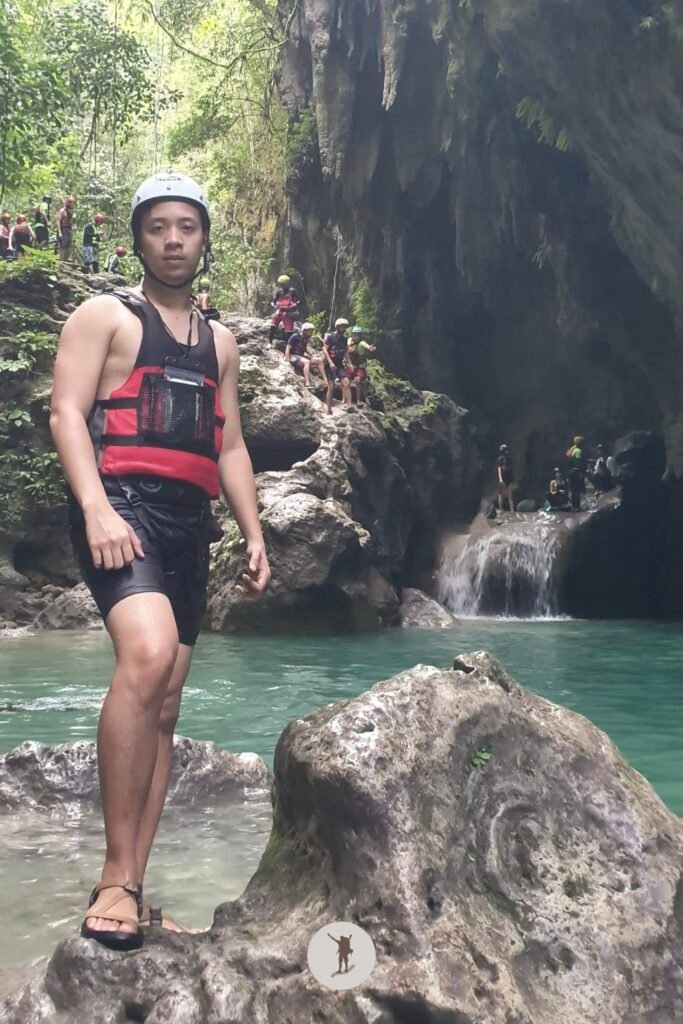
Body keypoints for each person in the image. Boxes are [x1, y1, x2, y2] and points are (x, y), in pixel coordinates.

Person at [49, 171, 271, 952]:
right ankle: (112, 875)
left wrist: (252, 532)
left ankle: (136, 887)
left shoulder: (220, 343)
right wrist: (96, 506)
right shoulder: (104, 316)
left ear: (205, 239)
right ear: (138, 238)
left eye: (187, 227)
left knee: (167, 705)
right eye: (158, 227)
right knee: (144, 659)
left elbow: (231, 443)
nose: (174, 240)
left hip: (189, 524)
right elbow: (67, 412)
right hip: (121, 507)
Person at [323, 317, 352, 413]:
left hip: (339, 363)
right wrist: (330, 362)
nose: (343, 329)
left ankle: (350, 406)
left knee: (346, 383)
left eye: (345, 327)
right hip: (329, 363)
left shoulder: (344, 339)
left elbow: (345, 352)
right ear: (337, 327)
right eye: (342, 327)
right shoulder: (330, 337)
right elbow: (324, 350)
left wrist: (349, 363)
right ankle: (329, 409)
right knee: (331, 386)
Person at [284, 322, 324, 387]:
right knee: (307, 362)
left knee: (320, 360)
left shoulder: (305, 338)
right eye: (310, 331)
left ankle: (325, 379)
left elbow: (304, 349)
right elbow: (287, 348)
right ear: (304, 330)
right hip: (293, 356)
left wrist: (312, 355)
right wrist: (288, 361)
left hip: (300, 356)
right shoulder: (295, 336)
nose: (311, 333)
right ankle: (307, 382)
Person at [345, 325, 376, 405]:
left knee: (358, 381)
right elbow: (348, 347)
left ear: (360, 336)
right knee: (346, 382)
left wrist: (369, 348)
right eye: (354, 335)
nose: (356, 337)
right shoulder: (350, 341)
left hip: (360, 366)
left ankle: (358, 400)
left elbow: (366, 346)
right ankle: (346, 400)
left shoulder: (362, 343)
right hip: (351, 365)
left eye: (358, 335)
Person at [269, 274, 300, 345]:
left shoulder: (292, 291)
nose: (282, 286)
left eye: (283, 284)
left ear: (287, 283)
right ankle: (270, 342)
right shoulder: (279, 292)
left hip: (288, 313)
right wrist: (275, 305)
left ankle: (288, 345)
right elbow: (273, 301)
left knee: (288, 331)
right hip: (280, 311)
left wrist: (295, 304)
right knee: (273, 325)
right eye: (281, 284)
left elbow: (299, 300)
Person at [566, 435, 585, 512]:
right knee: (577, 490)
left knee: (573, 490)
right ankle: (577, 507)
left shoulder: (572, 449)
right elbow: (578, 462)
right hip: (576, 472)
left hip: (570, 472)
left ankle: (574, 507)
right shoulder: (578, 451)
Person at [496, 444, 515, 512]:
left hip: (509, 478)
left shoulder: (509, 458)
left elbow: (511, 468)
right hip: (503, 478)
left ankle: (512, 510)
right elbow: (499, 469)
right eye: (506, 450)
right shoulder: (500, 459)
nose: (507, 451)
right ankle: (501, 509)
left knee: (510, 495)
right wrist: (500, 479)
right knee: (501, 494)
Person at [56, 196, 75, 261]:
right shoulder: (62, 210)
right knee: (63, 247)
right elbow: (58, 221)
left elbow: (70, 221)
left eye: (72, 203)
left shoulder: (70, 212)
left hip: (68, 230)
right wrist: (59, 232)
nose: (72, 204)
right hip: (63, 230)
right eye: (71, 203)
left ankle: (65, 261)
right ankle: (61, 263)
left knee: (69, 248)